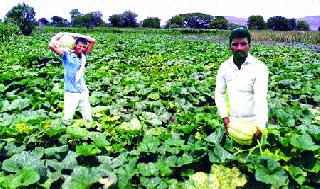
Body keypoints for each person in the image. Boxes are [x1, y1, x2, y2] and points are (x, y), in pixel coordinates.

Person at [214, 28, 268, 139]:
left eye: (243, 44)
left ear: (249, 46)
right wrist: (224, 116)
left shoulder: (259, 68)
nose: (239, 48)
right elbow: (220, 93)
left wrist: (261, 125)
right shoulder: (224, 67)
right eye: (235, 44)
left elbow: (261, 98)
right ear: (230, 47)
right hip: (233, 122)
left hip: (253, 122)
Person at [49, 32, 95, 125]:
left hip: (82, 89)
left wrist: (75, 35)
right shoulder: (66, 55)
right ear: (74, 45)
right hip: (71, 91)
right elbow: (51, 45)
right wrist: (61, 35)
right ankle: (66, 133)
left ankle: (90, 129)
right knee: (68, 116)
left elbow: (92, 40)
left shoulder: (84, 55)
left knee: (87, 114)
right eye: (79, 46)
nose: (81, 49)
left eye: (83, 47)